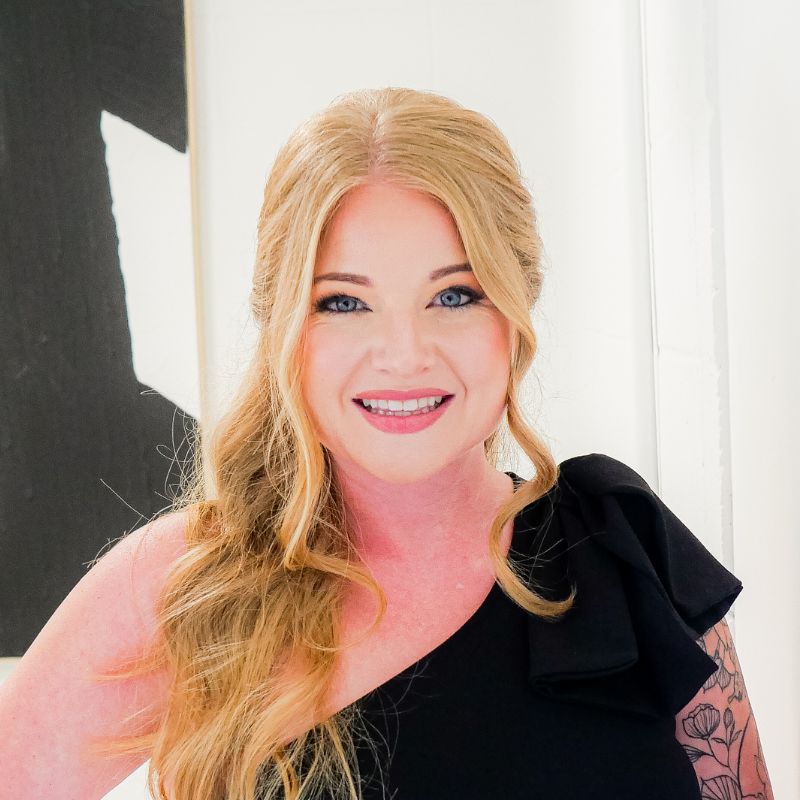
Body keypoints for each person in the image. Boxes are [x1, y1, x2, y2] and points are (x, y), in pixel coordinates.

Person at [0, 87, 773, 800]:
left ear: (515, 306)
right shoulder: (183, 588)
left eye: (454, 295)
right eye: (343, 301)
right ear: (285, 331)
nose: (404, 353)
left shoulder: (622, 550)